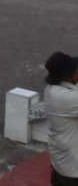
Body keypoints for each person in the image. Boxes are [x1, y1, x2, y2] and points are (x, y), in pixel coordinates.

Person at [44, 52, 78, 185]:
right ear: (68, 76)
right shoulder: (67, 99)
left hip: (61, 163)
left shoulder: (52, 89)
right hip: (73, 171)